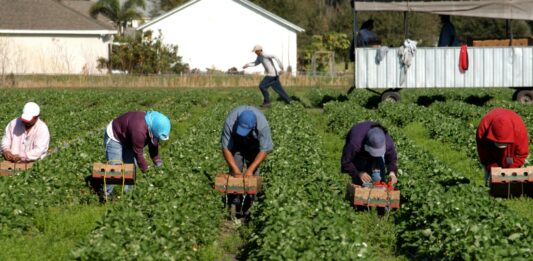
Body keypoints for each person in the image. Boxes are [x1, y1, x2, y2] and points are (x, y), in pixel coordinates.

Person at [221, 105, 273, 218]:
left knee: (253, 175)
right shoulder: (230, 121)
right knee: (235, 173)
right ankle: (235, 200)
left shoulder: (262, 125)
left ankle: (250, 202)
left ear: (253, 126)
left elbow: (264, 150)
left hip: (254, 145)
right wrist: (236, 170)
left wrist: (250, 170)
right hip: (237, 144)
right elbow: (226, 148)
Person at [103, 111, 171, 197]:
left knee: (131, 166)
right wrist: (146, 171)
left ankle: (129, 194)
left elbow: (153, 147)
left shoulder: (154, 126)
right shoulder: (139, 130)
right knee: (115, 166)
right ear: (154, 129)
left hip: (128, 137)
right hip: (115, 135)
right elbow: (138, 154)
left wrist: (158, 161)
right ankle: (106, 195)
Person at [476, 108, 529, 185]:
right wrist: (494, 170)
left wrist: (511, 172)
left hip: (512, 155)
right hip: (492, 153)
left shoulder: (519, 130)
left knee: (515, 183)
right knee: (491, 182)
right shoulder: (483, 130)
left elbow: (521, 154)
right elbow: (485, 156)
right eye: (498, 143)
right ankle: (491, 191)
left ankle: (514, 192)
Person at [341, 121, 398, 186]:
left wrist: (392, 173)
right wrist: (359, 173)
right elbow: (346, 162)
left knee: (379, 178)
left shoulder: (388, 143)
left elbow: (392, 160)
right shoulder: (355, 144)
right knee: (362, 182)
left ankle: (379, 193)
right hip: (360, 153)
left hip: (373, 147)